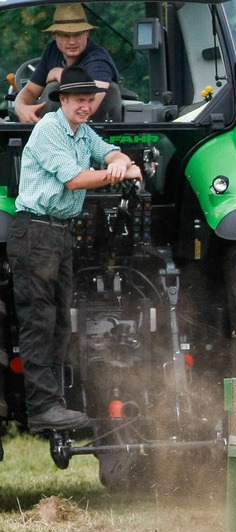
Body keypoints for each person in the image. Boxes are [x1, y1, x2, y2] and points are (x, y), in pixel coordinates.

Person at [10, 65, 142, 433]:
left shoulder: (83, 133)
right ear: (63, 100)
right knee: (38, 323)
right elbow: (74, 179)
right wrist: (115, 173)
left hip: (59, 235)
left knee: (57, 325)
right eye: (79, 100)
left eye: (90, 100)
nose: (86, 106)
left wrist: (121, 162)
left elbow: (110, 152)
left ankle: (54, 404)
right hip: (35, 234)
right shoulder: (49, 129)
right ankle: (42, 407)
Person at [13, 3, 120, 123]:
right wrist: (21, 107)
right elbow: (31, 91)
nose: (72, 41)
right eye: (65, 35)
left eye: (77, 34)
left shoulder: (98, 59)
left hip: (95, 131)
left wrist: (61, 74)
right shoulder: (52, 51)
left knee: (54, 87)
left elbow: (87, 106)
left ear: (87, 33)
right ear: (54, 35)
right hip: (54, 128)